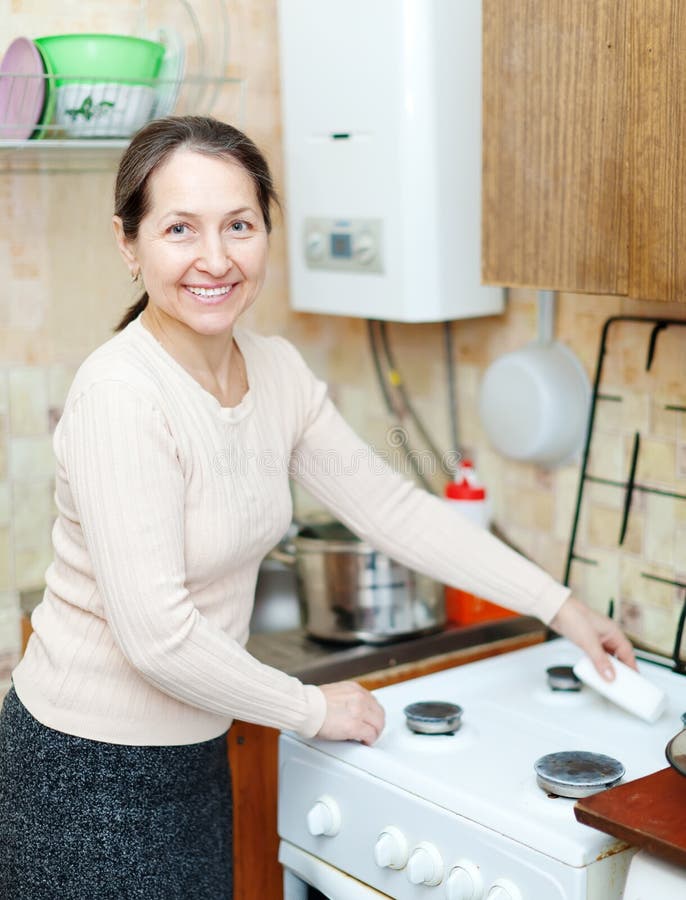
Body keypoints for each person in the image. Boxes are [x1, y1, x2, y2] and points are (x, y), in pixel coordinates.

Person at [0, 116, 634, 900]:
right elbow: (157, 638)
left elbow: (393, 508)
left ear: (267, 229)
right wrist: (308, 707)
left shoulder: (276, 372)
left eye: (239, 225)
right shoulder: (121, 398)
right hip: (84, 774)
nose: (216, 259)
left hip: (192, 754)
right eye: (179, 229)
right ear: (129, 245)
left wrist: (560, 604)